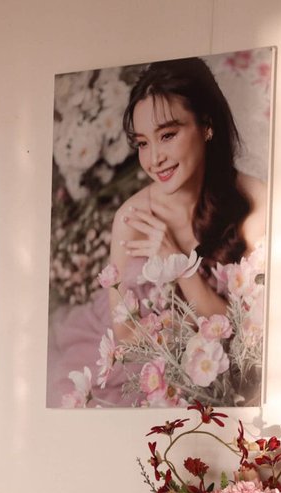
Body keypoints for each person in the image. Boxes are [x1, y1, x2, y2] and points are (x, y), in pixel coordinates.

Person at [50, 57, 267, 407]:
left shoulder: (256, 199)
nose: (154, 159)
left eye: (167, 135)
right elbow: (127, 340)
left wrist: (177, 264)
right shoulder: (132, 219)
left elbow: (244, 337)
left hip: (223, 373)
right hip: (147, 372)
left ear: (207, 126)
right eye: (142, 143)